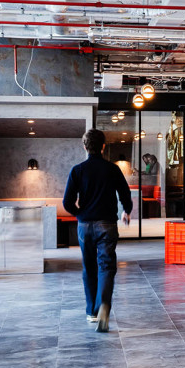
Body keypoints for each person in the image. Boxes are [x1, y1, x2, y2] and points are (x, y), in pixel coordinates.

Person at [63, 128, 132, 333]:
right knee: (106, 266)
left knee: (89, 267)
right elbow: (124, 193)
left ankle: (91, 312)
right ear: (103, 146)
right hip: (107, 225)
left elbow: (67, 202)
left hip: (85, 226)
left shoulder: (78, 170)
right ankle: (104, 304)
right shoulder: (112, 169)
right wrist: (126, 211)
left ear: (85, 146)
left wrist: (80, 214)